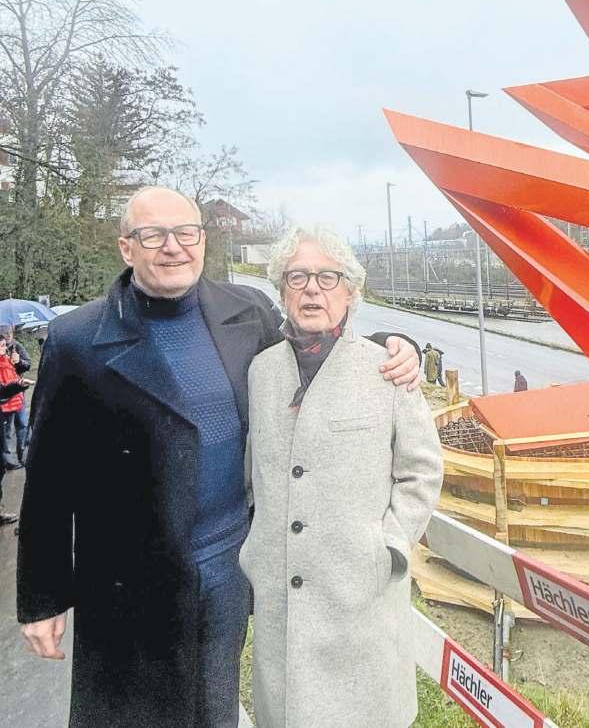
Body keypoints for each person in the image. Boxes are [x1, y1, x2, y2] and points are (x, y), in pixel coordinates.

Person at [17, 186, 422, 728]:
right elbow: (49, 477)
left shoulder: (245, 313)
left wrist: (396, 343)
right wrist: (42, 598)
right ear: (125, 247)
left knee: (214, 708)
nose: (172, 247)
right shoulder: (78, 339)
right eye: (152, 235)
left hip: (228, 568)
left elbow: (315, 343)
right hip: (125, 579)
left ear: (203, 241)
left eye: (186, 232)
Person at [241, 227, 443, 728]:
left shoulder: (387, 370)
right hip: (281, 604)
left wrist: (389, 546)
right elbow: (252, 473)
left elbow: (421, 470)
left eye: (328, 277)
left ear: (350, 291)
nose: (312, 289)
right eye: (297, 277)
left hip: (361, 601)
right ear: (282, 290)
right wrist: (255, 552)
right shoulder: (261, 372)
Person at [0, 343, 29, 525]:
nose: (4, 347)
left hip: (13, 403)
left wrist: (18, 365)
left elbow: (25, 365)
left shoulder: (12, 353)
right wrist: (17, 386)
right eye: (1, 345)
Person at [0, 325, 31, 468]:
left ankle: (21, 455)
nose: (7, 336)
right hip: (6, 398)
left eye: (9, 333)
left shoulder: (17, 347)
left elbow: (27, 365)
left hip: (18, 395)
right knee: (6, 430)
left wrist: (18, 362)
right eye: (4, 334)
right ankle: (8, 460)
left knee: (22, 424)